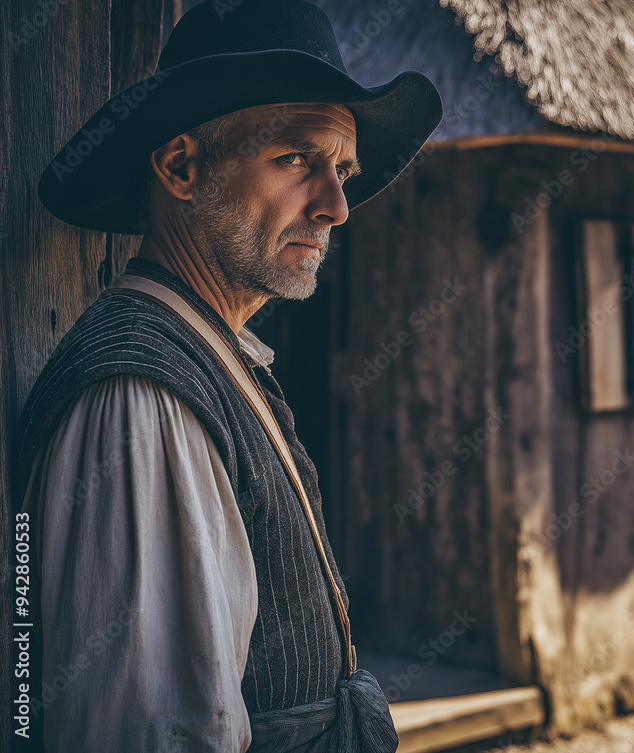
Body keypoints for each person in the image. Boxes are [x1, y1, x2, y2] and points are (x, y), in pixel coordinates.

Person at [14, 1, 441, 751]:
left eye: (342, 169)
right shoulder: (141, 399)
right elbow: (154, 734)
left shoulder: (204, 353)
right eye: (296, 159)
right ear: (182, 167)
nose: (337, 205)